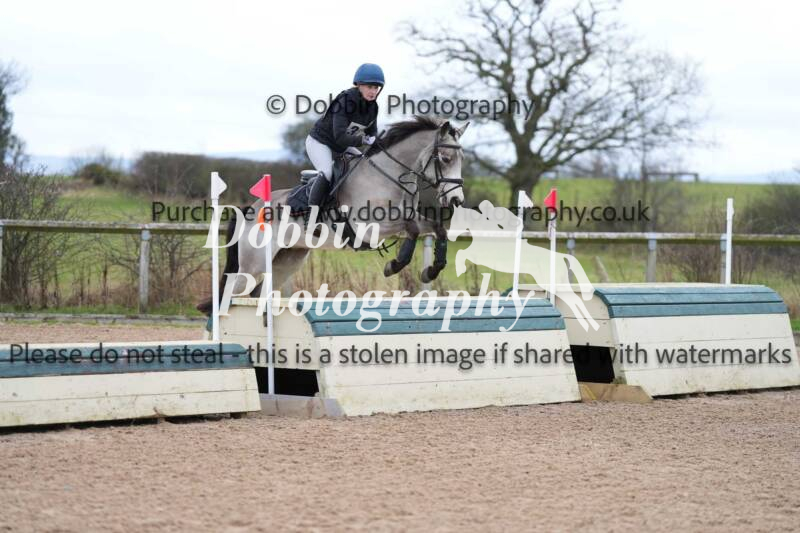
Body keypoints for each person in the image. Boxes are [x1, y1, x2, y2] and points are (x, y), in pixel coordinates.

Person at [305, 63, 383, 207]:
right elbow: (340, 137)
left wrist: (377, 140)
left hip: (342, 146)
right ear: (359, 85)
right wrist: (364, 140)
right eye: (369, 87)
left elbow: (372, 131)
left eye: (376, 88)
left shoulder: (373, 107)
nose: (373, 91)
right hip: (320, 142)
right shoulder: (345, 102)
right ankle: (312, 212)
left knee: (365, 166)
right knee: (327, 173)